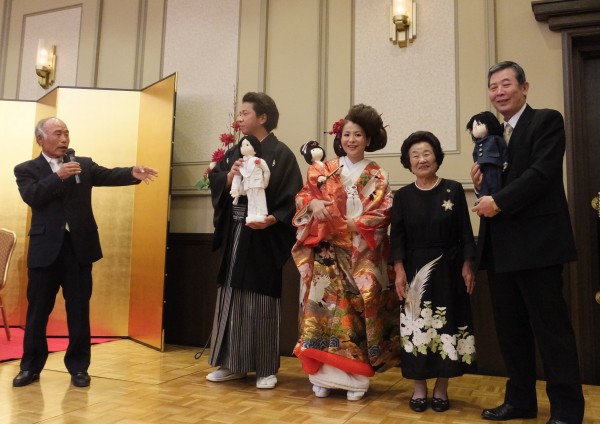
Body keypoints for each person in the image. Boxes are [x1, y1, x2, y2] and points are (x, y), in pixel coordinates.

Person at [472, 61, 585, 422]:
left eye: (506, 84)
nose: (499, 92)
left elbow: (540, 174)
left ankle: (567, 409)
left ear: (525, 87)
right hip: (500, 249)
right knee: (511, 333)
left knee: (552, 332)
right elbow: (499, 184)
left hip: (538, 247)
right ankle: (520, 400)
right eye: (493, 87)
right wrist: (481, 188)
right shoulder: (491, 137)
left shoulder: (546, 121)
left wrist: (499, 201)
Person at [12, 117, 158, 388]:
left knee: (78, 310)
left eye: (67, 133)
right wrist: (58, 176)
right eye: (58, 133)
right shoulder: (26, 169)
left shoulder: (84, 164)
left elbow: (109, 174)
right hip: (45, 251)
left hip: (78, 248)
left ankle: (79, 367)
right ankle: (30, 366)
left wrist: (132, 173)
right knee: (37, 311)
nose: (65, 139)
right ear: (41, 139)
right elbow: (33, 196)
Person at [292, 104, 401, 401]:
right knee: (322, 313)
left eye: (358, 135)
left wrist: (353, 224)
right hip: (326, 254)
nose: (351, 140)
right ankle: (323, 376)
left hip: (358, 253)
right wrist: (312, 205)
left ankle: (354, 376)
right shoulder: (324, 169)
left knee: (354, 313)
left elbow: (384, 211)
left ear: (368, 139)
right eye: (346, 134)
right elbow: (303, 197)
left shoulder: (377, 174)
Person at [206, 92, 303, 389]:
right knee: (230, 296)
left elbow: (294, 198)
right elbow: (217, 179)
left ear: (262, 117)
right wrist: (227, 176)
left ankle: (264, 368)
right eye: (239, 113)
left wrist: (274, 219)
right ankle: (231, 363)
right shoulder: (237, 151)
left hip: (264, 236)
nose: (240, 118)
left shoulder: (282, 153)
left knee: (260, 301)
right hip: (236, 231)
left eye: (245, 113)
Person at [390, 131, 476, 413]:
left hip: (449, 269)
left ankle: (441, 388)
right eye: (415, 155)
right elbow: (397, 237)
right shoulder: (402, 196)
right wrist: (399, 270)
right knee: (417, 328)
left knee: (446, 326)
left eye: (426, 153)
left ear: (436, 157)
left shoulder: (452, 189)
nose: (421, 159)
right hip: (415, 271)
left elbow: (465, 230)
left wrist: (467, 264)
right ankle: (418, 389)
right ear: (408, 161)